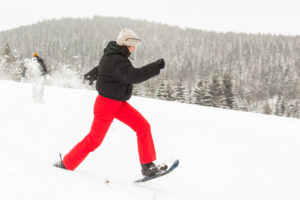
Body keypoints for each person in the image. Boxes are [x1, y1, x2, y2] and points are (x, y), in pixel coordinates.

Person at [54, 29, 167, 177]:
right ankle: (67, 163)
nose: (134, 49)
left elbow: (101, 68)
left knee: (143, 126)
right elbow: (134, 76)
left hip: (118, 104)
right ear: (126, 44)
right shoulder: (116, 59)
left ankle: (147, 166)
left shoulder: (114, 57)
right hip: (106, 105)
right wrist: (155, 67)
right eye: (132, 46)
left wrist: (89, 77)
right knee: (94, 140)